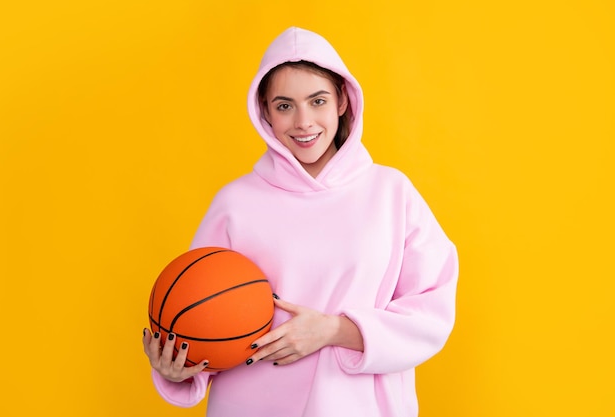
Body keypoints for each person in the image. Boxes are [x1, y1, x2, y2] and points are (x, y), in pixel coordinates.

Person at [142, 26, 458, 417]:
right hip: (252, 404)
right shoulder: (235, 203)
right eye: (285, 106)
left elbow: (432, 309)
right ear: (265, 113)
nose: (304, 122)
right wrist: (176, 367)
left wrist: (334, 331)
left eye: (318, 100)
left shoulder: (391, 192)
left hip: (358, 407)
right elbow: (199, 314)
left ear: (342, 100)